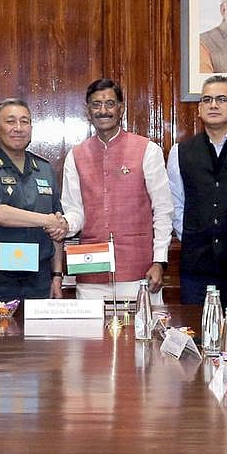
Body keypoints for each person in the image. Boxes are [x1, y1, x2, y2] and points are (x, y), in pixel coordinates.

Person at [62, 78, 173, 303]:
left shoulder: (147, 150)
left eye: (110, 104)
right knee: (91, 338)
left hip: (139, 272)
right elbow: (75, 212)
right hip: (91, 271)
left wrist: (159, 261)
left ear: (121, 109)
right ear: (87, 111)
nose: (103, 111)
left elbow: (162, 210)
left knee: (141, 337)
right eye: (96, 104)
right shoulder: (76, 155)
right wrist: (62, 225)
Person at [168, 75, 227, 316]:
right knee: (198, 337)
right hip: (197, 268)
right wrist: (194, 236)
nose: (213, 105)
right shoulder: (181, 152)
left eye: (222, 99)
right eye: (207, 100)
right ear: (199, 109)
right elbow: (176, 204)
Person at [0, 98, 67, 302]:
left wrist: (56, 275)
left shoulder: (44, 169)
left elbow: (56, 227)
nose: (18, 128)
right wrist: (46, 220)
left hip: (39, 275)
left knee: (37, 334)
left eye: (24, 121)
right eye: (10, 121)